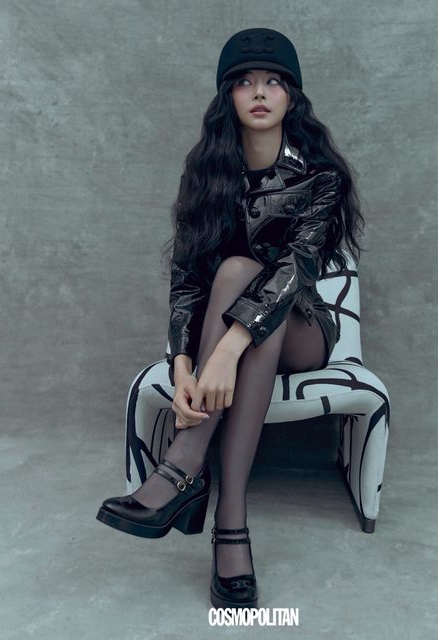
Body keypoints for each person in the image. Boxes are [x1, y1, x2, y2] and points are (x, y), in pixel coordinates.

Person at [96, 27, 364, 609]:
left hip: (302, 330)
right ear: (229, 97)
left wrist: (222, 353)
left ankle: (182, 469)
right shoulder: (207, 172)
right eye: (244, 82)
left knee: (247, 272)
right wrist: (183, 363)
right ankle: (231, 524)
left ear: (292, 95)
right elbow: (188, 278)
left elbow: (294, 270)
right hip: (228, 336)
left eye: (273, 81)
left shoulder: (322, 177)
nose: (259, 92)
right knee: (231, 271)